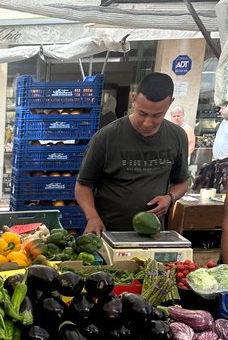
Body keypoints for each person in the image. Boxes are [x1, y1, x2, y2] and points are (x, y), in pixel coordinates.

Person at [75, 73, 189, 235]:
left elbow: (182, 182)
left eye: (157, 115)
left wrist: (170, 197)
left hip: (152, 234)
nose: (147, 122)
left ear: (170, 103)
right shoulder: (107, 137)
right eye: (142, 113)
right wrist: (92, 217)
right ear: (134, 100)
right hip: (108, 233)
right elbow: (82, 185)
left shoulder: (177, 136)